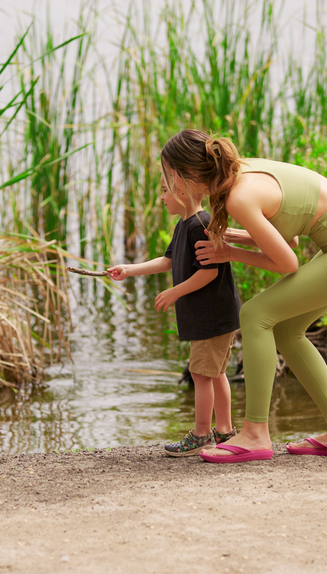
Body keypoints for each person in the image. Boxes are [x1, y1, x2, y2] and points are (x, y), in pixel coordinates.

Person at [158, 129, 327, 463]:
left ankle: (254, 433)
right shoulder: (240, 172)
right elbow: (290, 240)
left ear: (189, 174)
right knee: (286, 330)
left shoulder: (238, 195)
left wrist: (230, 253)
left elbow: (287, 262)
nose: (171, 186)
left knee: (254, 314)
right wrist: (234, 237)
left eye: (170, 177)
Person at [108, 174, 241, 457]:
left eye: (165, 190)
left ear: (183, 191)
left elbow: (210, 271)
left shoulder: (201, 224)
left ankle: (203, 434)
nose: (162, 197)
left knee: (201, 373)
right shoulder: (184, 225)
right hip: (209, 314)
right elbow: (168, 260)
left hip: (213, 313)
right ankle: (225, 432)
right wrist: (129, 269)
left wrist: (175, 292)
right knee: (214, 372)